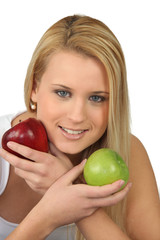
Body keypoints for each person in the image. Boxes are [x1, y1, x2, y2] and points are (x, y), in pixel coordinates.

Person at [0, 14, 160, 240]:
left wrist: (77, 202)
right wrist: (47, 216)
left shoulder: (127, 150)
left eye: (97, 98)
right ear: (34, 88)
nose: (76, 117)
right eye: (63, 93)